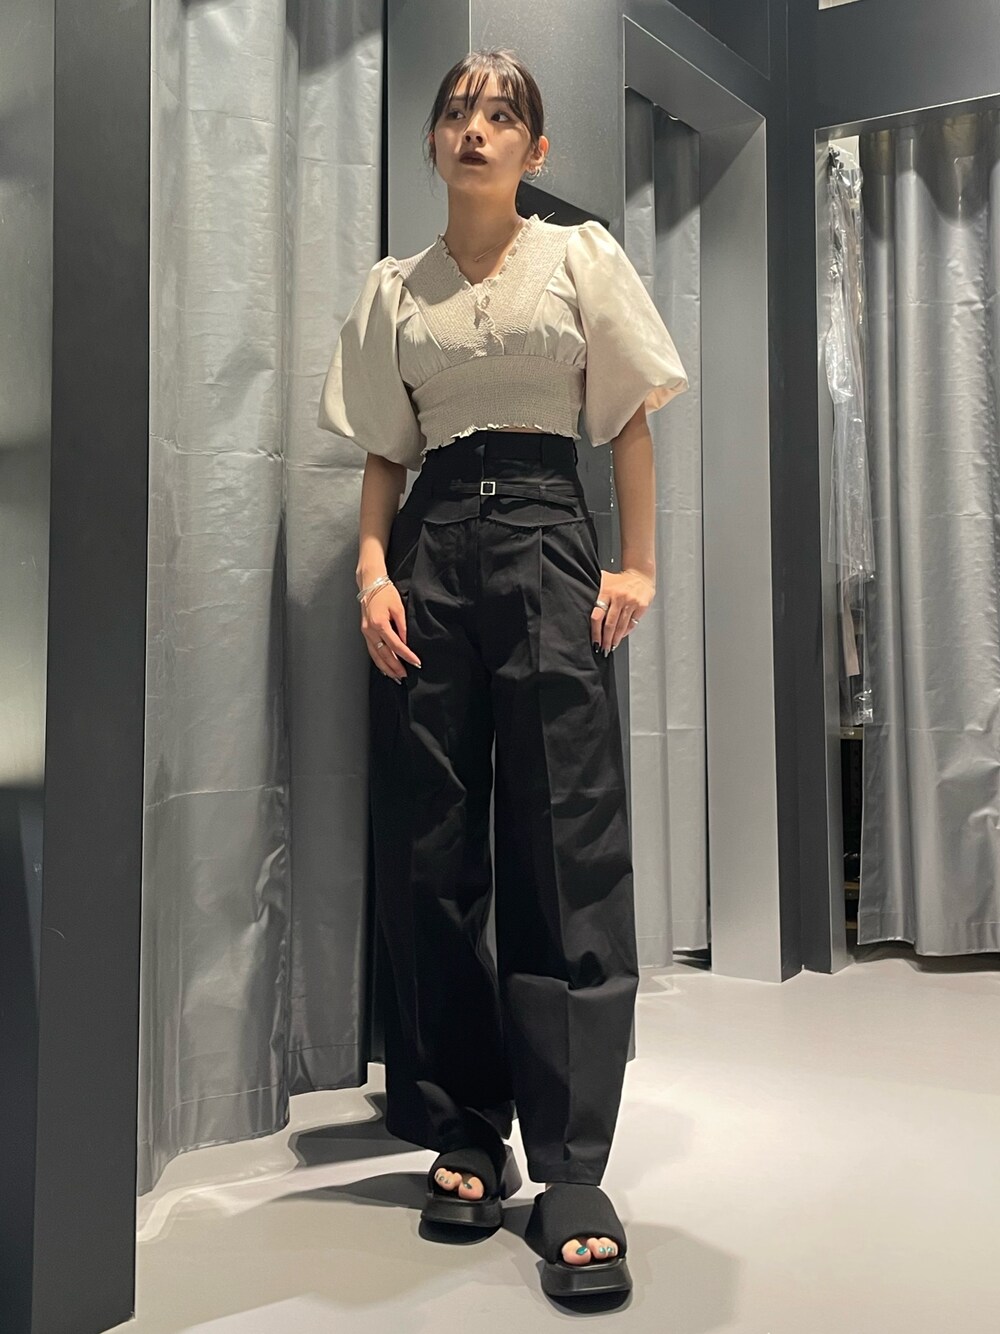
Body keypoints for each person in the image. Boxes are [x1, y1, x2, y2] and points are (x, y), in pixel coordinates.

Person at [317, 48, 688, 1301]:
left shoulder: (578, 259)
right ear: (431, 142)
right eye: (457, 113)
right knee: (433, 843)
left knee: (565, 839)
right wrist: (372, 572)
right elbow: (384, 450)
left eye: (502, 115)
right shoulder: (394, 290)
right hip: (430, 547)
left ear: (536, 150)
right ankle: (468, 1126)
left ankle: (572, 1164)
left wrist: (637, 565)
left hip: (545, 534)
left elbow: (625, 417)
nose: (475, 129)